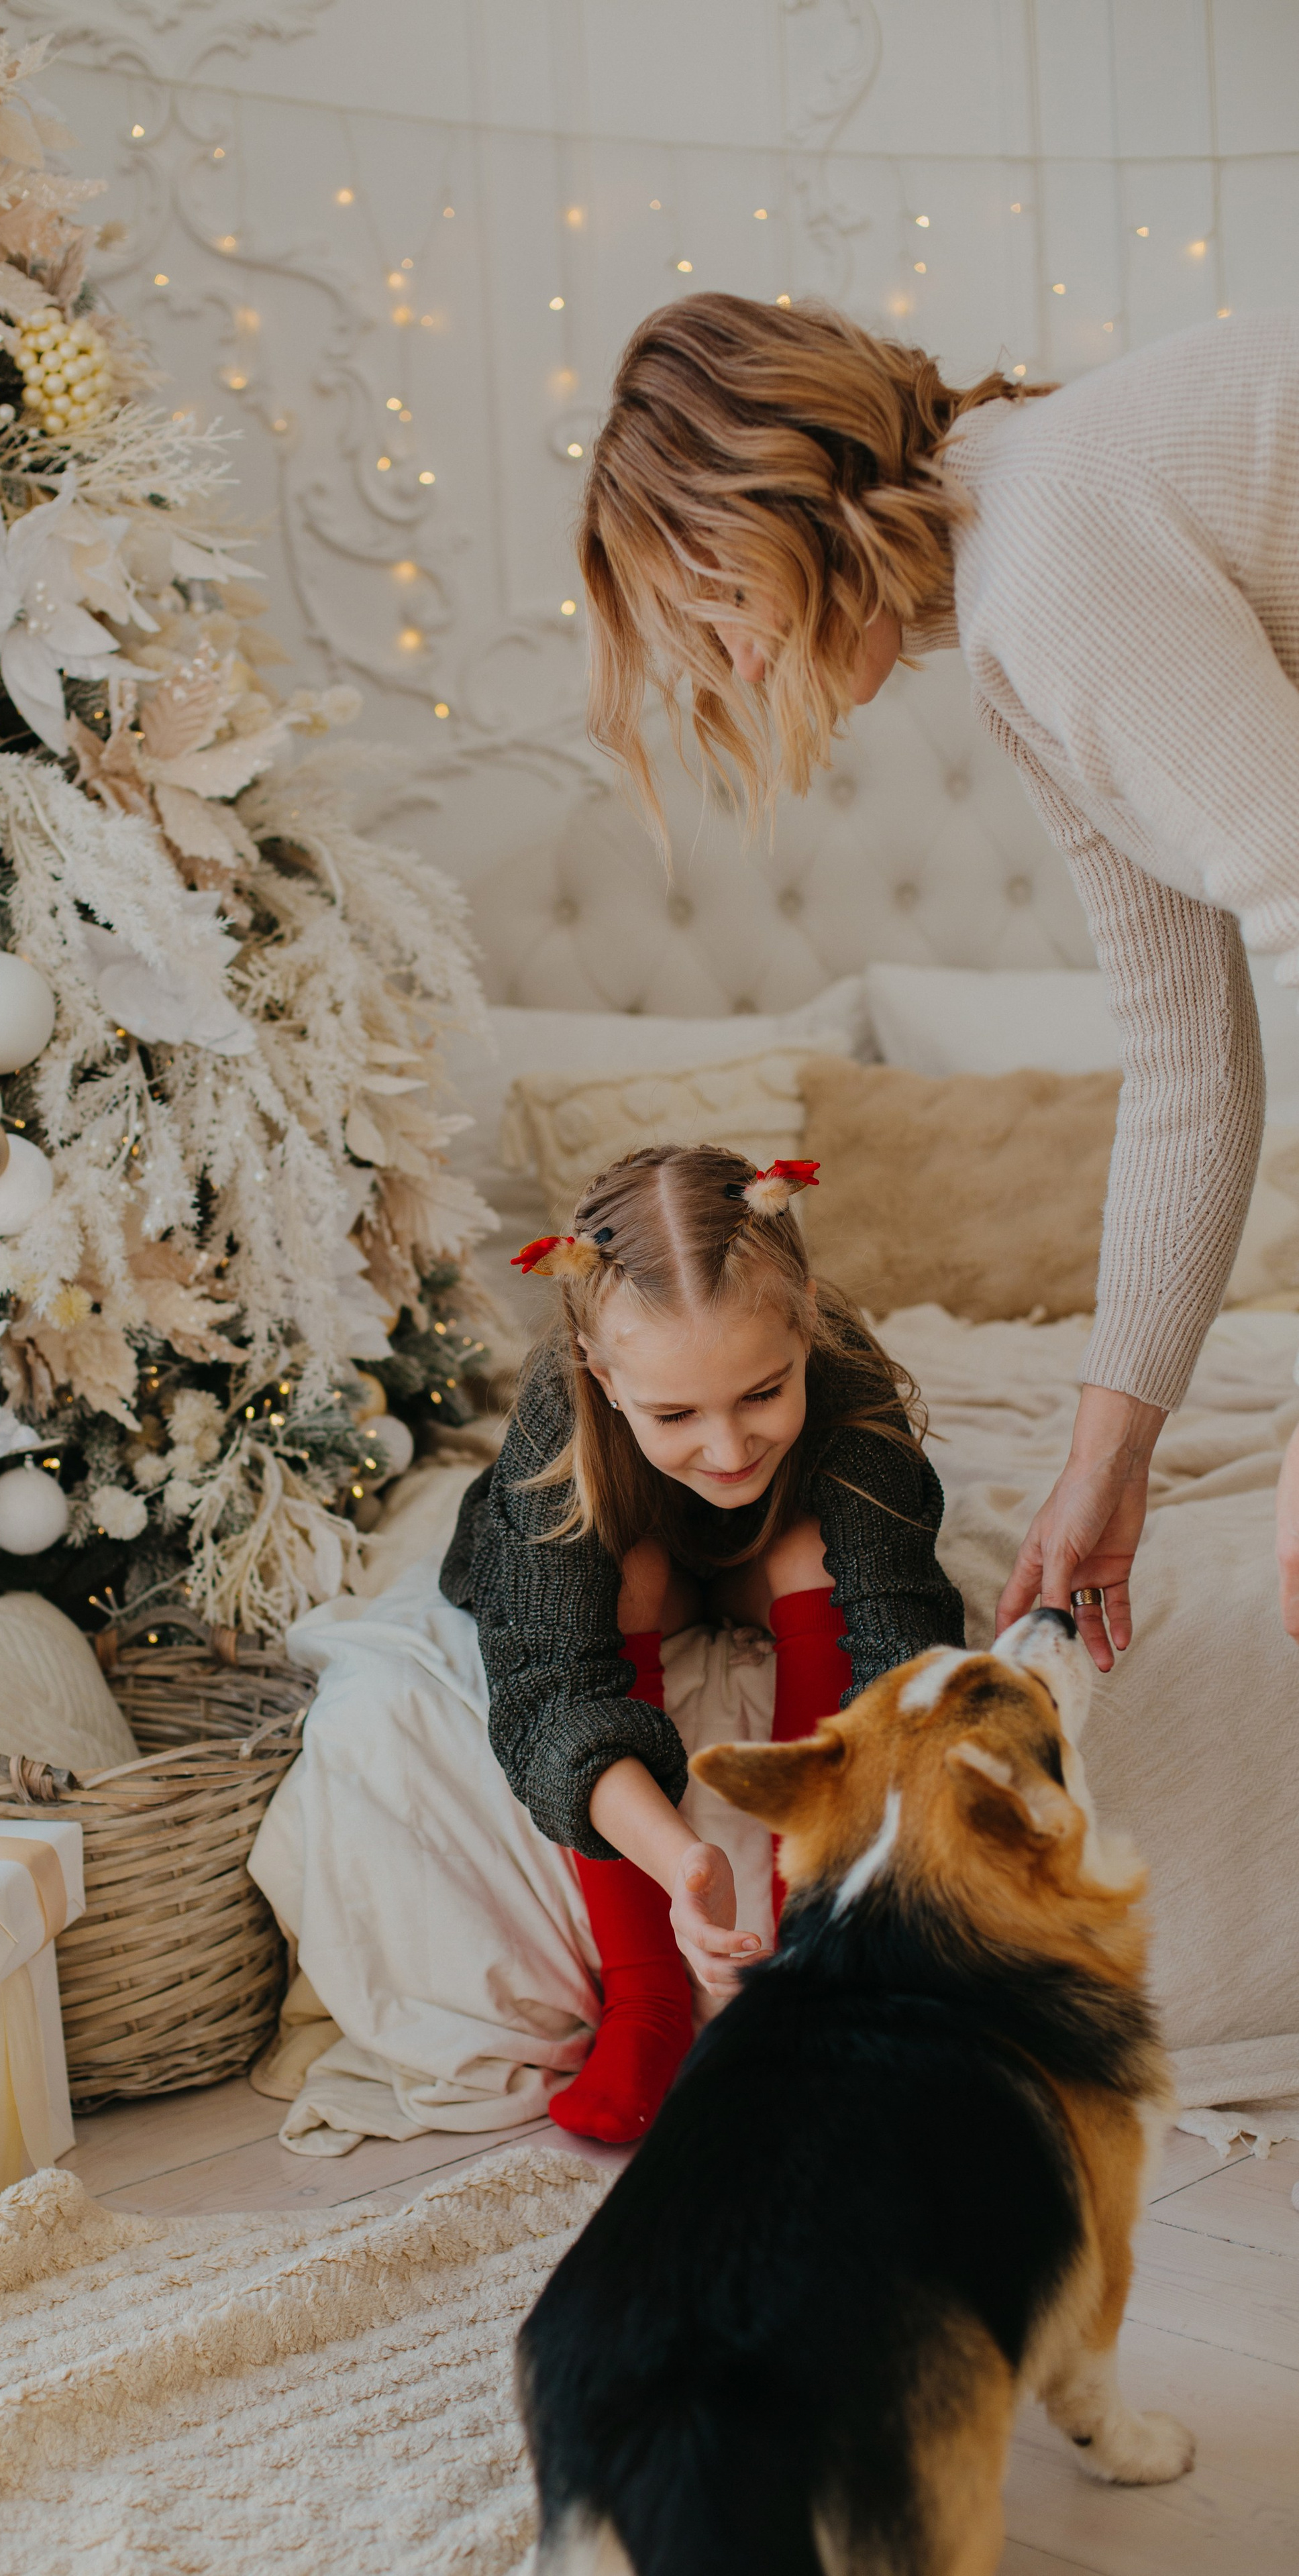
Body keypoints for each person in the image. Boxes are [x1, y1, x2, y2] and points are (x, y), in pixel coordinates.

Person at [578, 292, 1299, 1668]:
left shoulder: (1045, 562)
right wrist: (1109, 1451)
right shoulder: (1016, 580)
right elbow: (1188, 1067)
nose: (734, 663)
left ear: (794, 494)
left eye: (722, 598)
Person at [437, 1141, 965, 2141]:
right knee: (626, 1570)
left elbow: (902, 1647)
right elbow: (548, 1697)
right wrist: (679, 1860)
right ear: (601, 1369)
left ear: (805, 1316)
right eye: (676, 1413)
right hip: (645, 1565)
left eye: (763, 1395)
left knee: (818, 1554)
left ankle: (807, 1968)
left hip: (769, 1552)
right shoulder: (563, 1416)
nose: (727, 1450)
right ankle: (647, 2000)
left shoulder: (849, 1390)